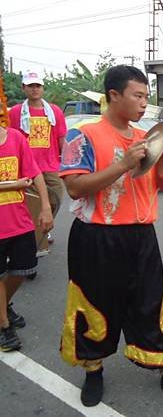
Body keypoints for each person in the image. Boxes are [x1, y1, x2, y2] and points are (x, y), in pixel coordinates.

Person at [59, 65, 163, 407]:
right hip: (97, 237)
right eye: (137, 96)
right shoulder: (82, 135)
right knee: (96, 305)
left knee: (153, 302)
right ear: (114, 96)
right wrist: (122, 165)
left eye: (146, 96)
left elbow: (154, 185)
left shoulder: (145, 139)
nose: (144, 104)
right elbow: (74, 189)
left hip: (141, 235)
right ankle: (93, 370)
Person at [0, 125, 53, 351]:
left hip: (19, 222)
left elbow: (35, 173)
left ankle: (4, 306)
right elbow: (22, 181)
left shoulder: (15, 137)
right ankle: (3, 327)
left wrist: (45, 206)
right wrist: (14, 185)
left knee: (24, 269)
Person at [8, 71, 66, 254]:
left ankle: (44, 224)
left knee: (56, 198)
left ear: (42, 88)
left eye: (38, 86)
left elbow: (62, 138)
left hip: (50, 166)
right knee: (32, 204)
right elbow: (9, 139)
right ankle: (37, 236)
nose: (34, 89)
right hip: (27, 168)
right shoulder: (16, 112)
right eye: (30, 86)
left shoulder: (54, 111)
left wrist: (67, 163)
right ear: (23, 88)